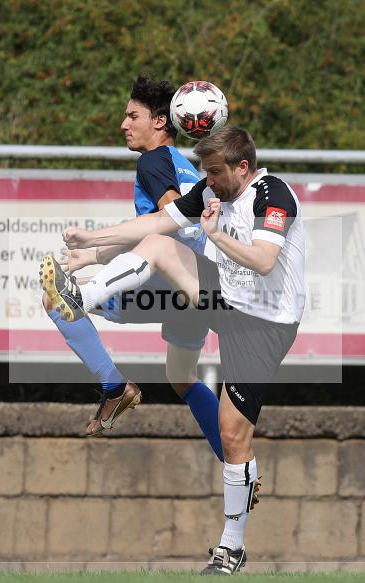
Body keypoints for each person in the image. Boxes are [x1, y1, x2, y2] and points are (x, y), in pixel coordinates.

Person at [40, 126, 305, 575]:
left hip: (265, 323)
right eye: (205, 170)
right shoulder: (212, 191)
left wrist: (215, 236)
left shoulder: (273, 193)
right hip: (225, 299)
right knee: (160, 246)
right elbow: (159, 223)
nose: (207, 179)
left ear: (242, 167)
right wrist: (93, 239)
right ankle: (80, 298)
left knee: (233, 434)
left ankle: (231, 550)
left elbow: (263, 260)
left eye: (215, 171)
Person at [42, 74, 223, 461]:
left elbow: (170, 221)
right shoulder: (184, 163)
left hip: (169, 282)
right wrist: (93, 257)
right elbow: (159, 235)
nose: (124, 124)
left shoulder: (154, 161)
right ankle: (234, 458)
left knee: (56, 301)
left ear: (160, 121)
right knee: (182, 379)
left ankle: (113, 387)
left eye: (132, 115)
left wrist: (93, 246)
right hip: (196, 286)